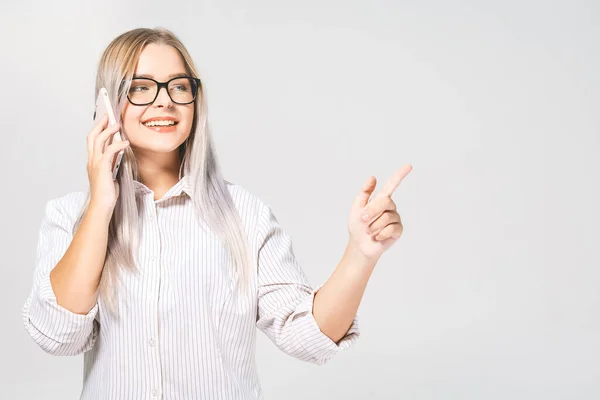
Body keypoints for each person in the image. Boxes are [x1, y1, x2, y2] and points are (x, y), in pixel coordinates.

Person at [21, 27, 411, 400]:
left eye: (178, 86)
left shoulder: (245, 215)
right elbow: (58, 334)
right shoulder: (70, 217)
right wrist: (102, 203)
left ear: (195, 101)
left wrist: (361, 253)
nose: (164, 101)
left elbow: (309, 337)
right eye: (140, 88)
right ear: (107, 104)